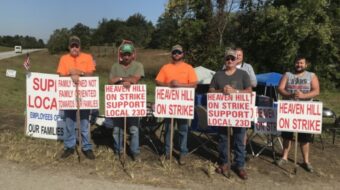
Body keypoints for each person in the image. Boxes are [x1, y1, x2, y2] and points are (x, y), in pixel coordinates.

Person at [209, 49, 252, 180]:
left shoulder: (243, 74)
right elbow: (210, 91)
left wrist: (235, 91)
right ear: (225, 60)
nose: (230, 61)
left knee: (239, 139)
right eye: (227, 58)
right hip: (222, 112)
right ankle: (225, 163)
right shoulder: (218, 75)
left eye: (232, 59)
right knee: (223, 139)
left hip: (239, 112)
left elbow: (249, 91)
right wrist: (221, 90)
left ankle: (240, 165)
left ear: (236, 60)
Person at [275, 56, 320, 172]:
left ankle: (306, 161)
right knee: (287, 135)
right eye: (297, 63)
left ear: (306, 65)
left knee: (304, 137)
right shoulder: (287, 75)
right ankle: (284, 157)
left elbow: (316, 90)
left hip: (305, 110)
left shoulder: (311, 76)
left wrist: (303, 96)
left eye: (301, 63)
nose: (299, 65)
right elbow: (280, 88)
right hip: (289, 109)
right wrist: (289, 95)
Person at [155, 44, 198, 165]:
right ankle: (167, 152)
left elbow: (194, 85)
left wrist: (180, 85)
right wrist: (169, 85)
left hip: (183, 105)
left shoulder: (188, 68)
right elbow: (158, 81)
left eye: (179, 52)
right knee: (169, 129)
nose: (176, 54)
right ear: (171, 54)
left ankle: (182, 153)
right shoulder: (165, 67)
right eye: (174, 52)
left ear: (183, 54)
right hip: (169, 104)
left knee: (183, 129)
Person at [57, 35, 96, 160]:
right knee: (69, 122)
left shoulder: (88, 57)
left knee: (84, 123)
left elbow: (90, 74)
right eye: (72, 45)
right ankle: (69, 146)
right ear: (69, 47)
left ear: (80, 47)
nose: (74, 48)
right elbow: (61, 76)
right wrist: (70, 74)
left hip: (84, 96)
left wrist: (80, 73)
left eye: (77, 45)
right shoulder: (63, 58)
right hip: (69, 96)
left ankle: (86, 147)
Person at [108, 42, 144, 161]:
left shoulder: (138, 65)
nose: (126, 57)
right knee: (117, 129)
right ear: (121, 55)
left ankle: (135, 152)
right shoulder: (115, 66)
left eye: (129, 54)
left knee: (134, 129)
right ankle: (118, 150)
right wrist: (123, 79)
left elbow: (135, 79)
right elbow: (111, 81)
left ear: (132, 55)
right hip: (118, 102)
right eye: (124, 54)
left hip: (133, 102)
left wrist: (121, 79)